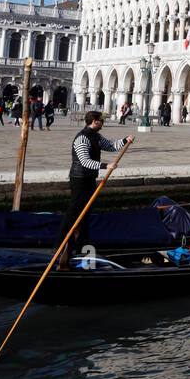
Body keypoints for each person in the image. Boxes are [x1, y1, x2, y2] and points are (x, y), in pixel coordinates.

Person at [60, 111, 134, 268]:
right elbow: (85, 161)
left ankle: (81, 245)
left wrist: (125, 141)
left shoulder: (96, 136)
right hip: (79, 179)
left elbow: (111, 146)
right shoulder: (82, 138)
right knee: (75, 211)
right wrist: (105, 166)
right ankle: (64, 244)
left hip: (89, 179)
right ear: (94, 121)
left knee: (86, 213)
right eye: (101, 121)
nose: (103, 123)